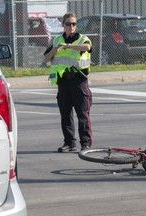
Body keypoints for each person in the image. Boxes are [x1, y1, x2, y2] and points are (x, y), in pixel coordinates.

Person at [44, 12, 92, 152]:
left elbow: (87, 47)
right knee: (65, 114)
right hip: (63, 82)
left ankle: (86, 143)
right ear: (63, 25)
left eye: (74, 24)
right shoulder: (56, 40)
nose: (71, 26)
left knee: (82, 114)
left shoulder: (81, 38)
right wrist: (55, 48)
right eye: (68, 24)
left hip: (78, 81)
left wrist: (69, 46)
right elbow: (46, 58)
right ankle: (69, 143)